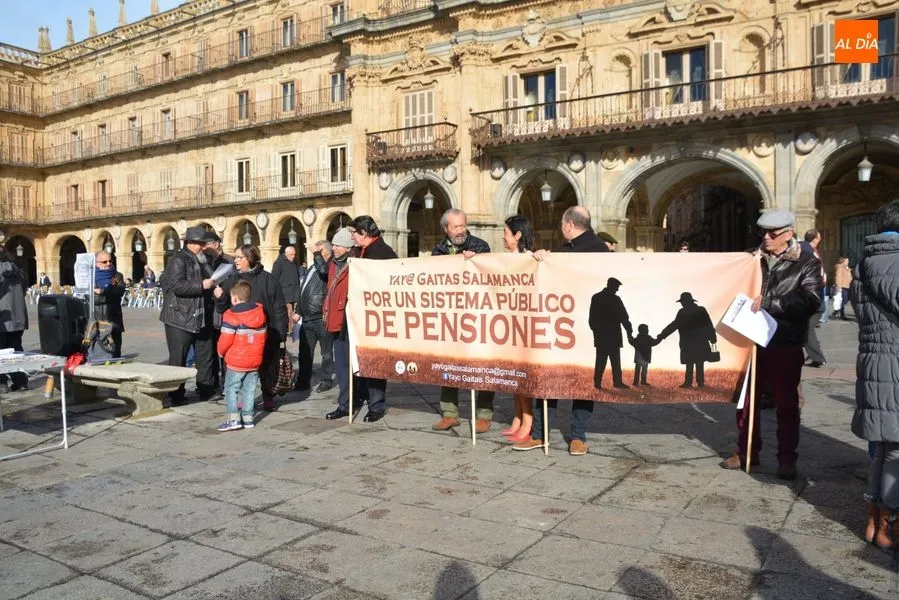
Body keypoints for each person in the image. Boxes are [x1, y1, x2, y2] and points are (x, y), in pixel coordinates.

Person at [720, 209, 821, 480]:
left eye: (772, 233)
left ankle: (787, 458)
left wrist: (770, 304)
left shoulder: (806, 262)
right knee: (746, 402)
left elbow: (811, 301)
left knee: (786, 403)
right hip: (750, 342)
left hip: (785, 341)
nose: (766, 237)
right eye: (762, 232)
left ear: (789, 234)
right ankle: (746, 451)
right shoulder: (752, 258)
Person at [515, 206, 609, 456]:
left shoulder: (599, 250)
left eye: (561, 224)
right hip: (561, 326)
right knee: (548, 379)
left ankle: (577, 436)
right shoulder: (565, 250)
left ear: (569, 224)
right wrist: (543, 258)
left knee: (582, 383)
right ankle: (541, 434)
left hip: (585, 327)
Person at [851, 200, 899, 548]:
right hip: (897, 364)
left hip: (873, 361)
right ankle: (889, 526)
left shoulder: (863, 263)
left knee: (881, 447)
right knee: (896, 450)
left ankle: (873, 521)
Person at [430, 208, 495, 434]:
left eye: (462, 225)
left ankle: (484, 414)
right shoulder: (437, 250)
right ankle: (449, 413)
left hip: (476, 316)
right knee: (449, 364)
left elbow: (489, 274)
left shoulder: (480, 246)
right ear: (446, 228)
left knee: (482, 366)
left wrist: (475, 261)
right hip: (450, 317)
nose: (460, 230)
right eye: (455, 226)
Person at [214, 245, 288, 412]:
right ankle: (244, 399)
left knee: (266, 367)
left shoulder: (268, 279)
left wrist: (280, 334)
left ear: (250, 258)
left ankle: (268, 396)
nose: (236, 261)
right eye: (235, 257)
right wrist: (219, 298)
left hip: (265, 333)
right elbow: (222, 307)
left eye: (239, 257)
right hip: (239, 336)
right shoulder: (232, 280)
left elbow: (279, 308)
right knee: (241, 371)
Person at [159, 226, 218, 406]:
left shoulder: (203, 260)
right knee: (179, 358)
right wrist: (202, 285)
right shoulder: (178, 260)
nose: (204, 247)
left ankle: (206, 390)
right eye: (201, 244)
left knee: (205, 355)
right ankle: (176, 395)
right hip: (180, 317)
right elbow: (176, 286)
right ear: (190, 243)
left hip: (201, 315)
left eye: (204, 244)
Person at [348, 215, 398, 423]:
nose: (352, 237)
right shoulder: (359, 251)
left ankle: (377, 406)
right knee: (360, 360)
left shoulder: (383, 253)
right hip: (360, 315)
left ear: (364, 234)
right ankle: (361, 397)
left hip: (377, 316)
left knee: (375, 362)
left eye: (354, 233)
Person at [500, 215, 536, 443]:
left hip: (525, 325)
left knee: (523, 378)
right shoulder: (507, 258)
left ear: (518, 235)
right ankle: (517, 418)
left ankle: (528, 421)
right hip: (509, 324)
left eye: (506, 233)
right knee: (513, 377)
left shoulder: (530, 258)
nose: (503, 237)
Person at [217, 280, 267, 432]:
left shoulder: (231, 316)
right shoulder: (260, 313)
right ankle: (248, 418)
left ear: (234, 298)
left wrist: (220, 352)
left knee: (231, 388)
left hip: (236, 361)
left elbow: (225, 340)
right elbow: (264, 337)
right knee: (250, 389)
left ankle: (233, 419)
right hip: (255, 360)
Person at [324, 228, 359, 420]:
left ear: (347, 247)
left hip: (349, 320)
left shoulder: (354, 264)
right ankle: (345, 402)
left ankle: (348, 402)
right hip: (336, 319)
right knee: (341, 364)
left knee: (348, 364)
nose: (334, 248)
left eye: (337, 245)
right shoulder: (332, 265)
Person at [656, 292, 717, 389]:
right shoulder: (699, 310)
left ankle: (690, 382)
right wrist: (712, 337)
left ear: (685, 302)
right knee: (698, 361)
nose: (682, 304)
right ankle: (698, 383)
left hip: (689, 342)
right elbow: (708, 324)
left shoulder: (683, 312)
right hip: (698, 341)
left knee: (692, 362)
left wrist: (661, 336)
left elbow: (674, 325)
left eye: (682, 302)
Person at [296, 240, 334, 392]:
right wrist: (298, 310)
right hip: (307, 318)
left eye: (318, 249)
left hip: (321, 317)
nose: (314, 252)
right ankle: (303, 381)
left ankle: (326, 380)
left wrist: (316, 254)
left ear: (324, 250)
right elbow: (303, 289)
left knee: (326, 353)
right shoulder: (313, 266)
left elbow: (324, 272)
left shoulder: (329, 265)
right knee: (304, 352)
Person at [589, 277, 633, 389]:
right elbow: (624, 317)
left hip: (602, 336)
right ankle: (617, 383)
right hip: (613, 336)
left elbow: (592, 319)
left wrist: (596, 333)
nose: (617, 289)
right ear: (611, 286)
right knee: (614, 361)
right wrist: (629, 330)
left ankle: (598, 383)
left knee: (601, 361)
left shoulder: (597, 297)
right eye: (617, 287)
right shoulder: (615, 299)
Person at [0, 246, 28, 393]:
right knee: (16, 349)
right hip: (18, 318)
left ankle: (1, 383)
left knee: (1, 352)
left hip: (3, 319)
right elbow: (25, 290)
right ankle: (21, 381)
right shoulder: (19, 271)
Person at [93, 250, 126, 357]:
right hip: (96, 317)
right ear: (96, 263)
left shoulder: (117, 276)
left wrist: (102, 292)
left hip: (113, 316)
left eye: (110, 260)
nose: (108, 263)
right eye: (104, 261)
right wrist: (109, 293)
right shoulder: (90, 277)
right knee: (97, 347)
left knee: (115, 349)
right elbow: (91, 298)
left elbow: (119, 292)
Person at [272, 245, 301, 324]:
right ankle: (289, 330)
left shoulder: (294, 262)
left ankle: (295, 330)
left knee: (296, 313)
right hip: (285, 293)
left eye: (294, 254)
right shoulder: (278, 263)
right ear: (286, 254)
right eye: (291, 255)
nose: (293, 256)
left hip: (295, 292)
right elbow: (274, 278)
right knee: (288, 313)